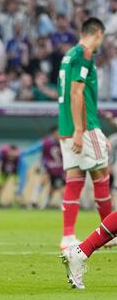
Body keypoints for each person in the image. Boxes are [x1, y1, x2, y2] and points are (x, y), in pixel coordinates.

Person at [57, 17, 114, 251]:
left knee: (74, 178)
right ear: (98, 33)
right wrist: (82, 130)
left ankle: (68, 235)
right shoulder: (85, 55)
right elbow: (76, 93)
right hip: (84, 127)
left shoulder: (68, 55)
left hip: (66, 127)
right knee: (102, 175)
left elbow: (80, 95)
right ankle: (109, 232)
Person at [22, 126, 65, 209]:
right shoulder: (45, 142)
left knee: (57, 187)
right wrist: (23, 152)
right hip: (47, 166)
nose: (59, 134)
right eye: (58, 132)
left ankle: (46, 204)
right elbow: (34, 149)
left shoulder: (64, 142)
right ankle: (34, 199)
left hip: (59, 169)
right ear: (53, 133)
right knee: (43, 179)